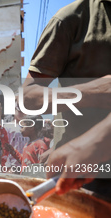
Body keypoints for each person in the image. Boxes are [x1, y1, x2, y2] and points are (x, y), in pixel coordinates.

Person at [22, 0, 111, 195]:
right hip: (81, 174)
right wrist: (93, 92)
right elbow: (28, 97)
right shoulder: (70, 19)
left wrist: (100, 140)